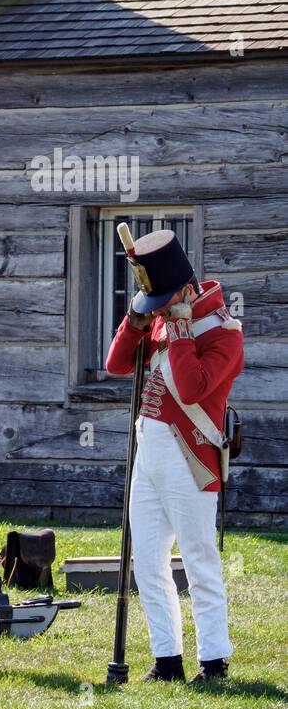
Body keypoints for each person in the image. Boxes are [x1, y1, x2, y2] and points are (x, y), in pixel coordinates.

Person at [104, 229, 243, 684]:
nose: (158, 309)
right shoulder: (160, 317)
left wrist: (180, 331)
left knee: (199, 558)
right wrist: (135, 324)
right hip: (149, 453)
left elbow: (192, 388)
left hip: (191, 456)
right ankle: (167, 659)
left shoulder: (223, 332)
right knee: (147, 561)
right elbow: (116, 365)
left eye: (164, 301)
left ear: (184, 291)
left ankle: (214, 659)